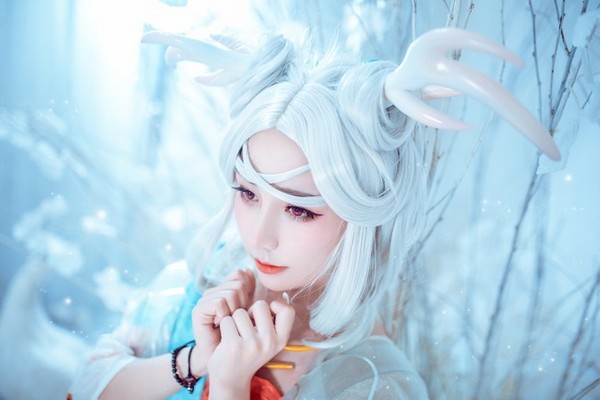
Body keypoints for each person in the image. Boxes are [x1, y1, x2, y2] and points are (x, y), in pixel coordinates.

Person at [69, 27, 559, 400]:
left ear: (359, 216)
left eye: (299, 210)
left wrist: (230, 385)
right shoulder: (203, 284)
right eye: (248, 194)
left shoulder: (374, 381)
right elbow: (86, 386)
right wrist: (196, 359)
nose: (260, 237)